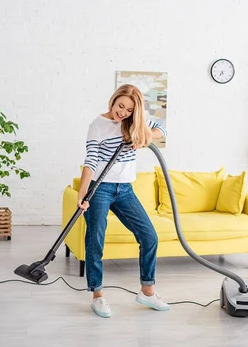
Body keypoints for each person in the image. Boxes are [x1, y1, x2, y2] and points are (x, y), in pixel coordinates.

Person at [77, 84, 169, 318]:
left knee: (149, 236)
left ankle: (147, 291)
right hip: (100, 189)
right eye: (120, 106)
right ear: (113, 99)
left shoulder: (134, 123)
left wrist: (144, 136)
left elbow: (162, 130)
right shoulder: (98, 125)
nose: (123, 113)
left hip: (125, 189)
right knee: (95, 239)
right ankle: (97, 295)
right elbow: (91, 160)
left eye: (129, 110)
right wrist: (82, 193)